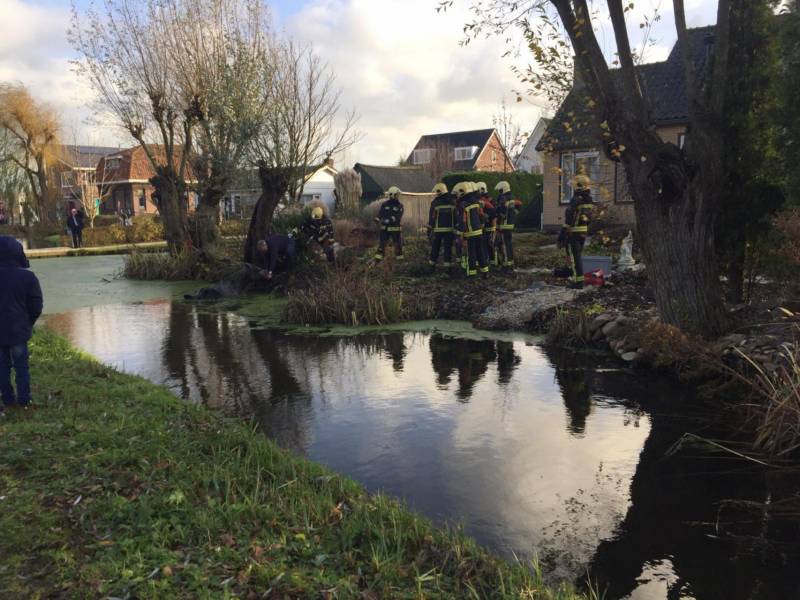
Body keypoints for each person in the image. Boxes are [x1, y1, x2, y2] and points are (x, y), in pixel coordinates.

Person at [0, 236, 43, 414]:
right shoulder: (27, 277)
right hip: (19, 328)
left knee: (2, 366)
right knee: (21, 366)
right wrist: (28, 323)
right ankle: (25, 400)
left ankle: (8, 399)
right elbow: (36, 305)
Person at [558, 173, 595, 289]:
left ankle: (577, 281)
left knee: (575, 257)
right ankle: (576, 276)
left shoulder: (576, 200)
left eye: (575, 185)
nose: (573, 188)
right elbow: (589, 218)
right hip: (583, 231)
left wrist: (563, 234)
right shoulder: (589, 201)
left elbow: (570, 217)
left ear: (579, 186)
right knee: (578, 256)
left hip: (573, 232)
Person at [453, 181, 488, 277]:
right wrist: (482, 225)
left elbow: (462, 221)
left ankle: (472, 273)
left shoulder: (462, 205)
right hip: (479, 232)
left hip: (470, 233)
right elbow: (482, 216)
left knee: (471, 253)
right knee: (480, 252)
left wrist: (461, 234)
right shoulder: (476, 202)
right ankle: (485, 272)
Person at [427, 183, 456, 270]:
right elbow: (456, 215)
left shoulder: (435, 202)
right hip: (450, 230)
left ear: (440, 191)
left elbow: (432, 217)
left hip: (438, 230)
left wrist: (430, 228)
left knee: (435, 248)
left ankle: (432, 265)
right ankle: (447, 267)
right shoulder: (452, 201)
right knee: (448, 248)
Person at [495, 181, 523, 271]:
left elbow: (500, 211)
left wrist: (497, 213)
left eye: (500, 190)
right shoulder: (512, 198)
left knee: (504, 245)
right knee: (509, 245)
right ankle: (510, 263)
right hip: (510, 225)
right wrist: (514, 215)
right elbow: (519, 204)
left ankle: (507, 265)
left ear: (503, 189)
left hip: (504, 226)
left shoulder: (504, 198)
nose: (499, 192)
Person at [375, 186, 404, 261]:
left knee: (397, 245)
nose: (398, 196)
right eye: (397, 194)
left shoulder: (400, 205)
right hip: (385, 229)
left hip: (395, 229)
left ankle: (399, 260)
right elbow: (381, 213)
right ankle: (378, 259)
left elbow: (398, 217)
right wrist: (377, 218)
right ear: (392, 195)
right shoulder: (385, 204)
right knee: (382, 244)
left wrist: (389, 220)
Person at [476, 182, 497, 267]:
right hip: (487, 226)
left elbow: (494, 212)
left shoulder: (485, 200)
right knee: (487, 245)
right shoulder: (490, 199)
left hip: (488, 226)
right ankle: (490, 261)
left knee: (488, 245)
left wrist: (485, 217)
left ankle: (491, 261)